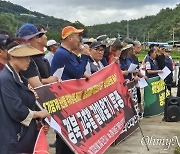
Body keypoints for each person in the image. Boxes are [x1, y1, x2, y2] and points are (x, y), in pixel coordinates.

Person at [0, 43, 50, 153]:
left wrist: (37, 122)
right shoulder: (6, 79)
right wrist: (40, 114)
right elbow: (17, 110)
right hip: (13, 138)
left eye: (29, 57)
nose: (29, 61)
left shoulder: (21, 77)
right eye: (25, 57)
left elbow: (27, 104)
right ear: (12, 57)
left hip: (24, 135)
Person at [51, 25, 90, 154]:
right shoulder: (63, 54)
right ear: (70, 38)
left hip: (68, 98)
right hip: (64, 99)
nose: (79, 40)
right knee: (65, 135)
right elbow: (78, 73)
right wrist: (84, 56)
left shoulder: (67, 53)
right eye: (77, 36)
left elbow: (77, 70)